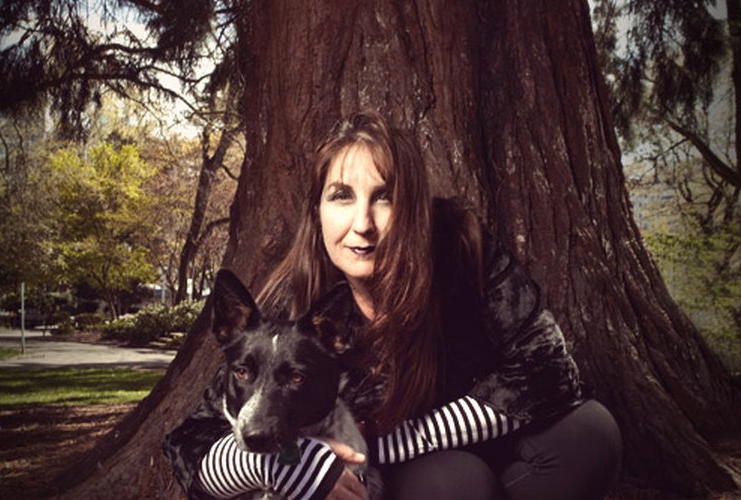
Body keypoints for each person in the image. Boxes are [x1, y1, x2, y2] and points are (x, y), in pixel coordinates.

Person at [164, 111, 623, 500]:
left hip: (480, 446)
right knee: (455, 484)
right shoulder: (291, 305)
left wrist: (376, 445)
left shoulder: (461, 250)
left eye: (384, 198)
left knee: (590, 433)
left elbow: (548, 371)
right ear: (317, 212)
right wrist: (289, 464)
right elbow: (189, 443)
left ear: (413, 210)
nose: (363, 223)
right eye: (341, 196)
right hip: (424, 477)